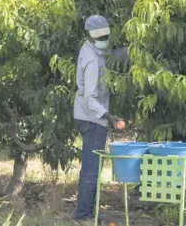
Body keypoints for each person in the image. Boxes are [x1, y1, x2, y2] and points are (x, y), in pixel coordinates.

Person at [73, 15, 124, 221]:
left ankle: (88, 213)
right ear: (92, 36)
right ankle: (83, 215)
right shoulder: (92, 60)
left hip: (92, 117)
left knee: (93, 167)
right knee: (92, 169)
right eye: (101, 35)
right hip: (92, 118)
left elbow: (112, 54)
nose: (104, 38)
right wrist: (110, 116)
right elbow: (89, 98)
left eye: (106, 35)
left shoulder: (93, 48)